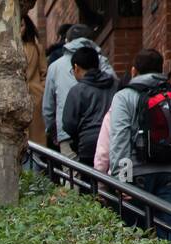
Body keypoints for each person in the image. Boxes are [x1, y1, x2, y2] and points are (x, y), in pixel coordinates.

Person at [108, 48, 171, 242]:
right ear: (161, 68)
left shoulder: (124, 96)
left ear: (133, 71)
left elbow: (120, 139)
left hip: (138, 175)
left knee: (136, 236)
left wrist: (121, 180)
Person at [43, 24, 115, 156]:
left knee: (72, 175)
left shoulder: (55, 67)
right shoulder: (102, 62)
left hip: (67, 136)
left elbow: (48, 108)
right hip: (104, 133)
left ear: (67, 41)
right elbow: (115, 92)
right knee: (102, 175)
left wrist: (54, 133)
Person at [60, 46, 115, 164]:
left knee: (89, 181)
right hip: (114, 141)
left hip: (88, 145)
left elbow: (68, 123)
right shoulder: (115, 85)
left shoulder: (77, 91)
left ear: (76, 68)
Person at [23, 15, 48, 146]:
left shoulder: (37, 48)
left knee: (36, 141)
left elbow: (44, 73)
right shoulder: (5, 49)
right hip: (13, 97)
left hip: (35, 97)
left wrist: (41, 89)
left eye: (22, 25)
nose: (19, 29)